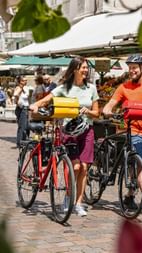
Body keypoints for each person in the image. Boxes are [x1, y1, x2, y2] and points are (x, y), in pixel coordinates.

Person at [30, 56, 99, 217]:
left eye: (86, 68)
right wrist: (35, 105)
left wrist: (88, 111)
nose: (86, 70)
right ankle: (68, 196)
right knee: (75, 166)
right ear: (75, 69)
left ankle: (79, 203)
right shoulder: (64, 88)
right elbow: (46, 100)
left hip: (86, 130)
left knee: (84, 167)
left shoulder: (91, 88)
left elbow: (97, 112)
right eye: (83, 67)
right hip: (68, 131)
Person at [103, 54, 142, 218]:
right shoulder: (123, 87)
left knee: (141, 167)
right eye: (130, 68)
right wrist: (107, 110)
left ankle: (130, 195)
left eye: (134, 68)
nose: (131, 71)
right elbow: (111, 104)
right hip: (134, 132)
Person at [13, 76, 31, 148]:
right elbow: (15, 95)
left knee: (26, 126)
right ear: (20, 81)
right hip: (21, 109)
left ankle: (23, 142)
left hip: (25, 108)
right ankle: (20, 143)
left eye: (26, 80)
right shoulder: (19, 88)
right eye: (24, 81)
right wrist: (18, 103)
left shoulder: (25, 88)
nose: (25, 82)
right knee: (22, 126)